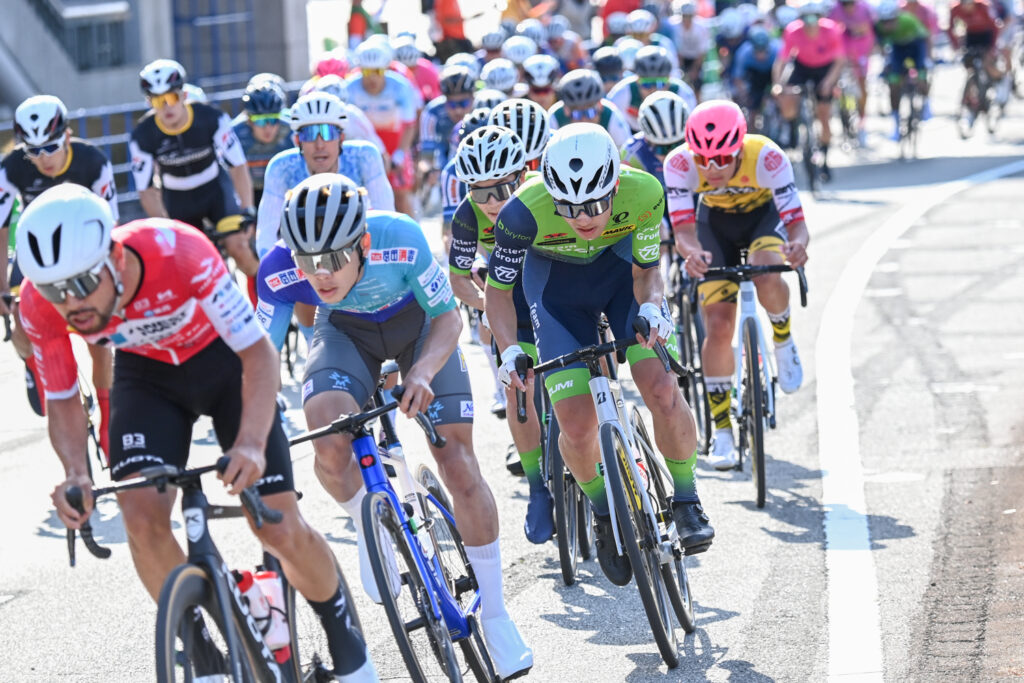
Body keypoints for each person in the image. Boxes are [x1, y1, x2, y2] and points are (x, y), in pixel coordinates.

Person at [20, 184, 377, 682]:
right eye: (54, 291)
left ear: (114, 258)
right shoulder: (38, 304)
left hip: (226, 364)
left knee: (276, 524)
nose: (70, 303)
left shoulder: (178, 251)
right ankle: (204, 653)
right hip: (147, 378)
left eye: (81, 284)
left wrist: (250, 444)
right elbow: (60, 397)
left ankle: (345, 639)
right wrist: (76, 473)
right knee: (140, 517)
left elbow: (258, 353)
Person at [282, 173, 533, 680]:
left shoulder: (400, 237)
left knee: (457, 461)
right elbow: (261, 354)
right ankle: (369, 521)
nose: (320, 274)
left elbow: (448, 318)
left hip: (419, 326)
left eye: (334, 258)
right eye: (306, 262)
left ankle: (496, 614)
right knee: (327, 438)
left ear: (363, 243)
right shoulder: (280, 267)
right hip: (344, 334)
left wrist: (420, 373)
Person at [485, 123, 714, 588]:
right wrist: (508, 350)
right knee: (574, 424)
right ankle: (604, 513)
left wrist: (652, 308)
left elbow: (647, 272)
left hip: (621, 278)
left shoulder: (643, 191)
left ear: (614, 185)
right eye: (568, 208)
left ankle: (687, 499)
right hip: (556, 293)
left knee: (662, 388)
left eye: (594, 205)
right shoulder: (521, 213)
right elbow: (497, 294)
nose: (583, 218)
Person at [664, 100, 809, 470]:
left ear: (739, 149)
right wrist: (692, 254)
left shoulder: (767, 157)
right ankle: (723, 430)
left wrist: (797, 246)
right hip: (714, 226)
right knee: (717, 324)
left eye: (722, 159)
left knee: (766, 272)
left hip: (763, 220)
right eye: (703, 159)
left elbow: (796, 223)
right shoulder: (679, 164)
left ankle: (783, 339)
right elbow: (684, 231)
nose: (711, 168)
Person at [448, 126, 555, 542]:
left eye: (502, 189)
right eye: (480, 193)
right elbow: (458, 280)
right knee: (518, 393)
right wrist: (488, 308)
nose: (492, 202)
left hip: (557, 292)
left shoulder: (544, 192)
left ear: (523, 174)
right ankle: (538, 488)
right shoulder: (466, 215)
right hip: (509, 302)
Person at [0, 94, 117, 424]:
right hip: (35, 252)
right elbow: (1, 228)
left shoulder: (93, 162)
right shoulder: (11, 167)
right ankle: (32, 363)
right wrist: (2, 290)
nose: (44, 158)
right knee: (21, 319)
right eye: (33, 151)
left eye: (51, 147)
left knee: (99, 333)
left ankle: (108, 413)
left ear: (67, 135)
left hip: (85, 249)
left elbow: (113, 228)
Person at [129, 59, 259, 278]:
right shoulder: (142, 135)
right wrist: (165, 226)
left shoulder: (211, 118)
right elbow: (146, 190)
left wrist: (248, 209)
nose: (167, 106)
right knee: (191, 266)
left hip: (215, 192)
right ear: (149, 102)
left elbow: (237, 165)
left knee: (238, 248)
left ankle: (265, 296)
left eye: (171, 98)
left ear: (183, 95)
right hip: (178, 201)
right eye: (158, 101)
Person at [255, 91, 393, 259]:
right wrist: (268, 263)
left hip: (357, 249)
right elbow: (266, 231)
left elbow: (386, 218)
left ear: (341, 138)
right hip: (304, 254)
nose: (319, 144)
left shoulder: (365, 156)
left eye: (328, 133)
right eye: (309, 134)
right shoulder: (281, 167)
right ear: (297, 141)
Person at [345, 42, 420, 216]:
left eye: (377, 72)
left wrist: (401, 152)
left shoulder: (400, 86)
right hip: (363, 143)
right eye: (367, 72)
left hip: (396, 143)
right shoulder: (349, 88)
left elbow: (410, 125)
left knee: (401, 194)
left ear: (386, 69)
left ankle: (411, 229)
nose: (372, 78)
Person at [772, 2, 845, 179]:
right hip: (802, 67)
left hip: (825, 70)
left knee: (824, 115)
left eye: (814, 18)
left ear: (820, 18)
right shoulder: (792, 31)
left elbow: (839, 60)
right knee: (787, 97)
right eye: (806, 18)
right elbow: (782, 60)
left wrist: (828, 83)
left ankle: (825, 160)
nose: (810, 23)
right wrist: (777, 84)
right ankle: (792, 126)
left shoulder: (831, 30)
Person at [418, 66, 478, 203]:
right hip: (446, 168)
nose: (458, 110)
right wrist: (429, 171)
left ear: (473, 98)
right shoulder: (432, 113)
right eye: (452, 104)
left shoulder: (482, 108)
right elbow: (426, 157)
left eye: (464, 103)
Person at [607, 44, 698, 131]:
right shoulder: (621, 93)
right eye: (646, 84)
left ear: (669, 79)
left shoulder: (684, 94)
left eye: (660, 84)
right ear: (637, 80)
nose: (654, 90)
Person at [875, 0, 932, 140]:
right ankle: (896, 123)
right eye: (885, 21)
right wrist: (885, 60)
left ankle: (926, 104)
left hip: (916, 47)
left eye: (891, 20)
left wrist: (928, 58)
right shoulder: (879, 27)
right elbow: (881, 45)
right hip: (898, 49)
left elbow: (926, 38)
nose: (887, 24)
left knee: (922, 74)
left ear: (897, 16)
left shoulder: (908, 21)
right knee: (893, 83)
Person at [233, 78, 292, 208]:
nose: (268, 128)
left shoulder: (291, 132)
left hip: (283, 192)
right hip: (248, 192)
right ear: (249, 120)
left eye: (273, 120)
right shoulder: (235, 135)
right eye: (260, 121)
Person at [548, 69, 634, 148]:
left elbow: (625, 151)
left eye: (590, 112)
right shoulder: (554, 117)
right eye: (577, 114)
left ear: (600, 105)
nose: (584, 120)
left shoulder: (611, 115)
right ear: (566, 110)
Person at [829, 0, 877, 140]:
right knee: (837, 77)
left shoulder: (864, 8)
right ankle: (843, 111)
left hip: (862, 47)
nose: (848, 7)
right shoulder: (835, 8)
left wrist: (851, 28)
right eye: (844, 4)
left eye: (851, 4)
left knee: (861, 83)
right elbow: (830, 28)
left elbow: (866, 29)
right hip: (843, 46)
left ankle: (862, 119)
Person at [732, 26, 782, 125]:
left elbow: (783, 70)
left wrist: (778, 86)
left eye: (763, 50)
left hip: (774, 73)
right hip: (755, 76)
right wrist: (744, 94)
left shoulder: (777, 49)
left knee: (783, 99)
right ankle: (752, 129)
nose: (761, 55)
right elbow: (738, 77)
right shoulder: (743, 53)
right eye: (757, 51)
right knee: (752, 107)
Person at [669, 2, 712, 91]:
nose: (687, 19)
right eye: (685, 16)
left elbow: (702, 52)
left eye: (689, 16)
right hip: (682, 58)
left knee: (697, 84)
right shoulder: (674, 27)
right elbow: (676, 50)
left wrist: (694, 70)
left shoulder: (701, 28)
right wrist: (681, 67)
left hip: (696, 58)